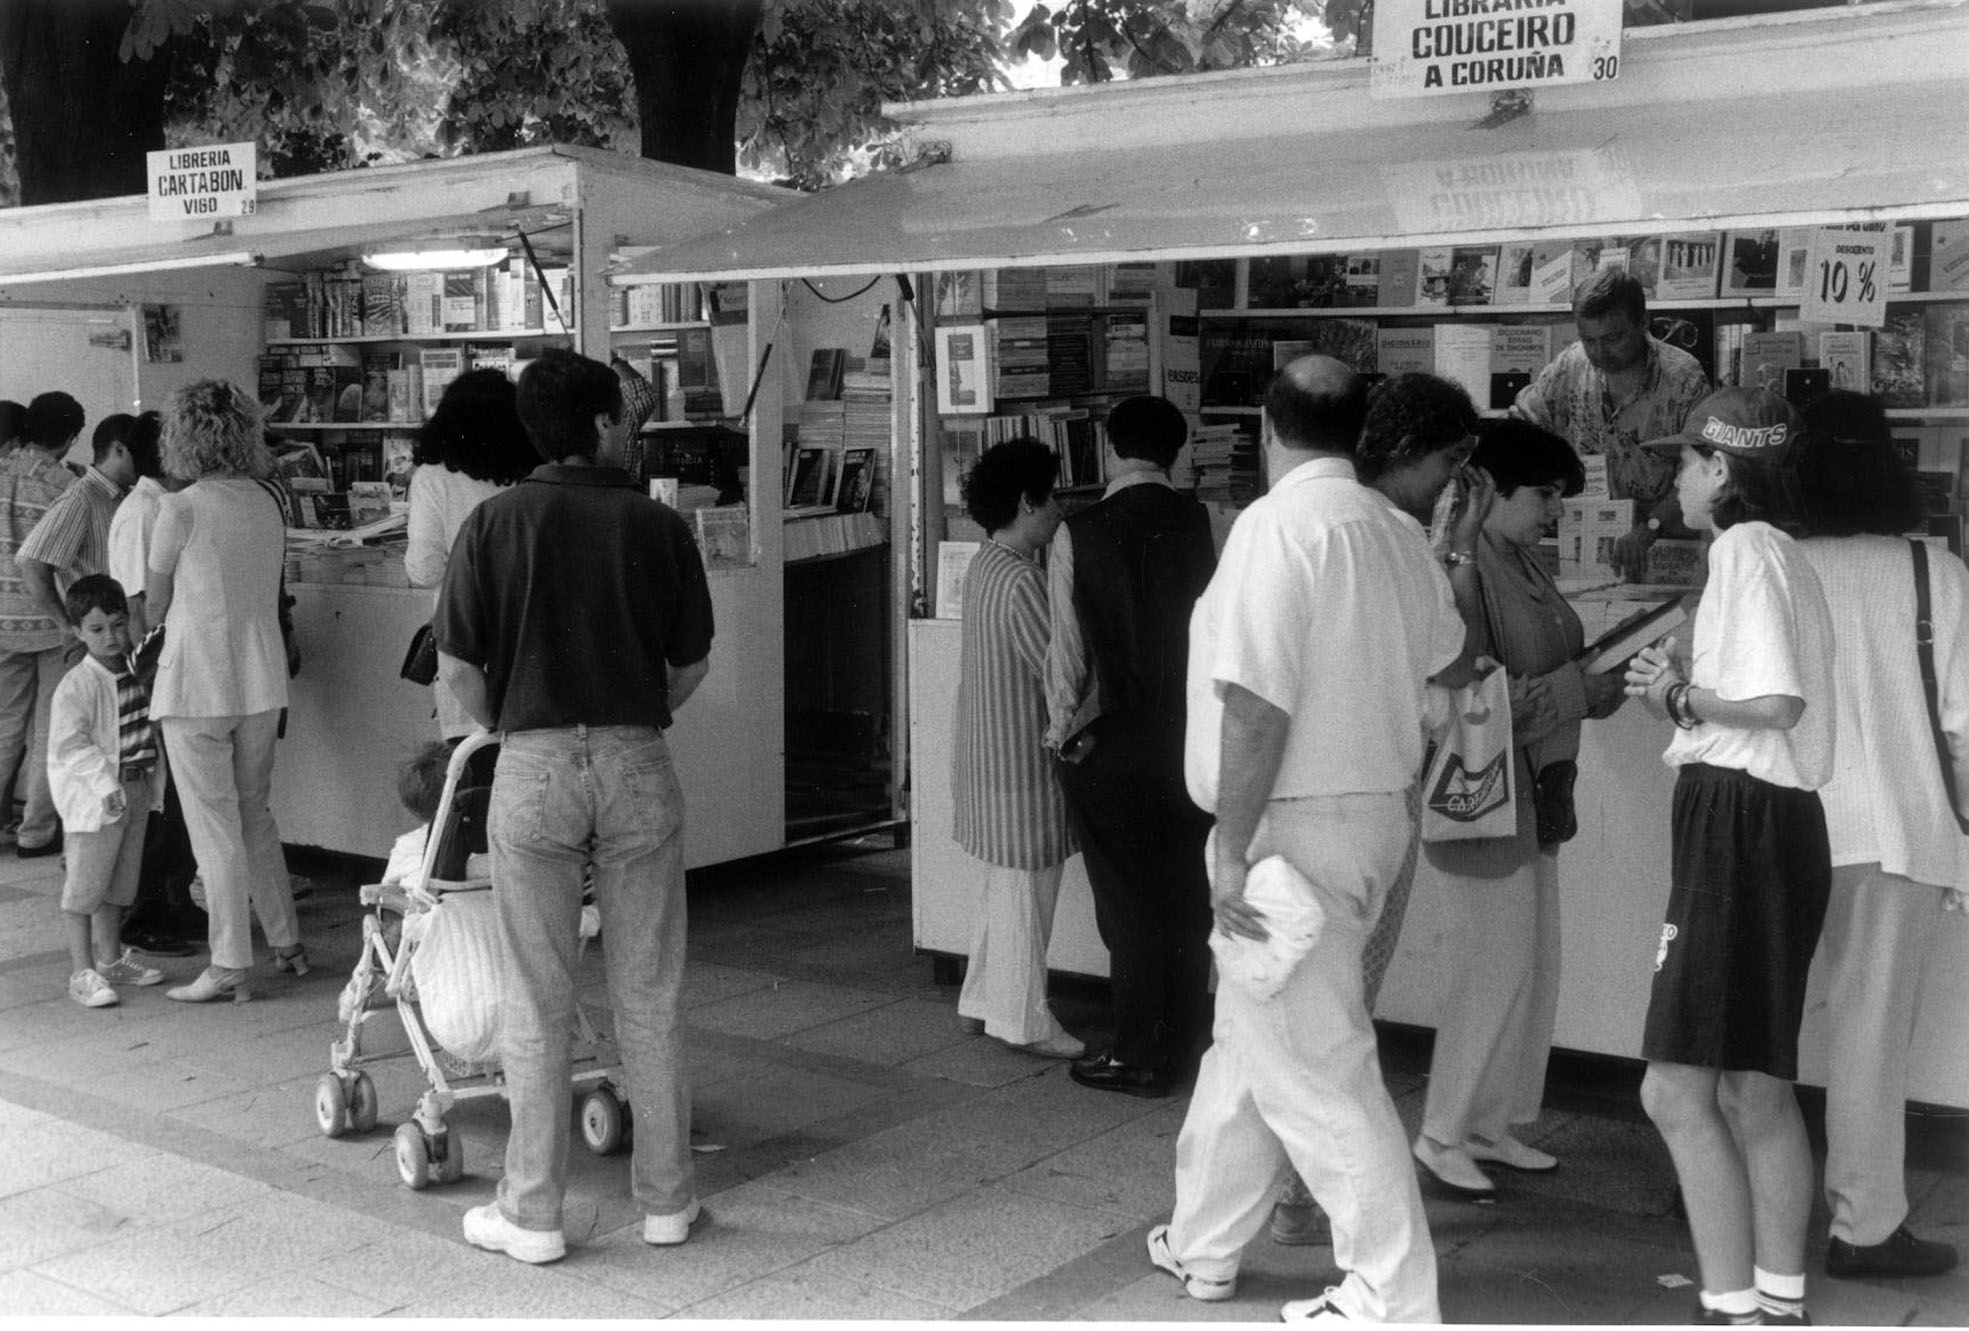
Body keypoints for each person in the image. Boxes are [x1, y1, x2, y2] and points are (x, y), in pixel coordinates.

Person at [1148, 358, 1486, 1324]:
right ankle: (1203, 1244)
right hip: (1371, 819)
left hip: (1288, 831)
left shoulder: (1273, 529)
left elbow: (1254, 708)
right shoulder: (1390, 533)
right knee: (1250, 1047)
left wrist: (1229, 846)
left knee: (1318, 1066)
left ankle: (1387, 1286)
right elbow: (1451, 659)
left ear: (1265, 425)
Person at [435, 348, 713, 1265]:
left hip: (533, 762)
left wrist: (522, 725)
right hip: (637, 758)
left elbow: (461, 670)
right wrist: (633, 716)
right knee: (651, 985)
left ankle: (534, 1213)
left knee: (537, 991)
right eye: (621, 413)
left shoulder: (490, 524)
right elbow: (690, 663)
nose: (632, 426)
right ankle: (669, 1202)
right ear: (596, 425)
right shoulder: (656, 525)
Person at [1266, 370, 1495, 1246]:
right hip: (1367, 801)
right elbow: (1458, 662)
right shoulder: (1394, 540)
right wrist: (1462, 552)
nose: (1450, 480)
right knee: (1336, 1011)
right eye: (1447, 459)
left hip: (1301, 798)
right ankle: (1312, 1202)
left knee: (1286, 1013)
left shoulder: (1309, 526)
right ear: (1403, 451)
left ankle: (1263, 1202)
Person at [1623, 387, 1836, 1326]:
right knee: (1756, 1086)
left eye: (1684, 461)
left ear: (1720, 469)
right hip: (1783, 819)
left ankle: (1729, 1304)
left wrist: (1677, 698)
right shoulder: (1786, 555)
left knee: (1671, 1087)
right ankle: (1776, 1298)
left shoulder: (1742, 550)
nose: (1673, 476)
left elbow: (1774, 705)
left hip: (1734, 819)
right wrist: (1687, 685)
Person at [1409, 418, 1626, 1199]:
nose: (1552, 512)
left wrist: (1589, 684)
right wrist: (1577, 688)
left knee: (1529, 966)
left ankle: (1489, 1121)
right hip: (1484, 800)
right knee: (1486, 969)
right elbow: (1468, 694)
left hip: (1533, 791)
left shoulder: (1516, 560)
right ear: (1484, 490)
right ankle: (1442, 1130)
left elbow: (1533, 667)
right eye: (1540, 495)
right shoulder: (1456, 569)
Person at [1793, 391, 1965, 1282]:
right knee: (1869, 1033)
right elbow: (1963, 723)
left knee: (1759, 1019)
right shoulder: (1936, 571)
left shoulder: (1766, 561)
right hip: (1893, 832)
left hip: (1777, 822)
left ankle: (1741, 1188)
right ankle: (1863, 1225)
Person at [1044, 395, 1216, 1098]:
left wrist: (1060, 734)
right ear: (1174, 453)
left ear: (1110, 449)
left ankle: (1135, 1051)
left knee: (1126, 902)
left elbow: (1067, 656)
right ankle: (1186, 1040)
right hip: (1191, 737)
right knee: (1186, 891)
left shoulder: (1074, 532)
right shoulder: (1208, 521)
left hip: (1109, 741)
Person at [148, 380, 305, 1005]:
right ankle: (286, 942)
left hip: (195, 684)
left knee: (213, 828)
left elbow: (156, 606)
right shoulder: (267, 501)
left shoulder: (178, 509)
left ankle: (230, 962)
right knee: (255, 813)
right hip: (261, 680)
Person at [951, 439, 1082, 1061]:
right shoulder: (1025, 583)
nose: (1057, 510)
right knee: (1028, 898)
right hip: (1021, 768)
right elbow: (1058, 673)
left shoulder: (985, 566)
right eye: (1050, 497)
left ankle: (983, 998)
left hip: (985, 757)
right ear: (1026, 503)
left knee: (1001, 894)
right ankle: (1024, 1019)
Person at [1512, 267, 1709, 581]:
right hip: (1579, 547)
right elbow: (1525, 432)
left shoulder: (1683, 378)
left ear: (1642, 323)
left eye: (1613, 338)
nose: (1600, 352)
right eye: (1588, 339)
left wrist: (1650, 527)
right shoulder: (1569, 366)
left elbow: (1702, 468)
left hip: (1660, 549)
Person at [102, 413, 202, 959]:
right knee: (162, 797)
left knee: (177, 795)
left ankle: (172, 898)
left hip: (163, 663)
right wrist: (150, 677)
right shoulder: (144, 513)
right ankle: (145, 912)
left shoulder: (157, 506)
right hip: (155, 666)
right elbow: (141, 606)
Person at [48, 574, 165, 1008]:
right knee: (84, 887)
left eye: (117, 625)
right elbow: (70, 744)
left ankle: (111, 958)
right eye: (97, 630)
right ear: (77, 631)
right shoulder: (78, 685)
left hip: (133, 791)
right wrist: (104, 785)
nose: (111, 637)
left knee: (118, 884)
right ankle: (83, 971)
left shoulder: (134, 670)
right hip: (98, 802)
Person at [404, 369, 538, 740]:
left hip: (464, 640)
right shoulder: (532, 473)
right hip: (531, 642)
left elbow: (425, 570)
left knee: (473, 768)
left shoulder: (433, 478)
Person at [0, 390, 82, 857]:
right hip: (50, 621)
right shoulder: (64, 485)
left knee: (6, 726)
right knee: (51, 730)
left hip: (1, 619)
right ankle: (36, 832)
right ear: (70, 437)